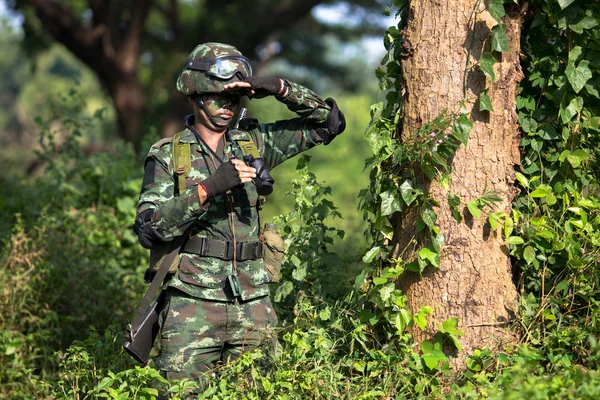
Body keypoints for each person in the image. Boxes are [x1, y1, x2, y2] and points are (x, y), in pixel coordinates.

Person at [133, 42, 345, 386]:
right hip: (192, 304)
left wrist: (279, 88)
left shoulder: (253, 142)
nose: (227, 107)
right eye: (218, 98)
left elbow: (330, 122)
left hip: (253, 302)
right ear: (195, 96)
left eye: (234, 99)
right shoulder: (169, 155)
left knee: (261, 390)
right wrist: (206, 189)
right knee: (178, 393)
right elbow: (149, 229)